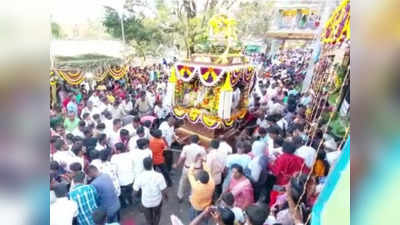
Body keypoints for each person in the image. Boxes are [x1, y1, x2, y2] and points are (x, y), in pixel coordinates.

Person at [133, 157, 168, 225]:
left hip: (146, 202)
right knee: (157, 214)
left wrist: (137, 203)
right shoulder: (159, 176)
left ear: (143, 165)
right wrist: (166, 197)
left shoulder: (140, 176)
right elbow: (164, 190)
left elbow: (134, 192)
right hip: (157, 201)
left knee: (148, 219)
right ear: (152, 164)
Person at [174, 135, 207, 202]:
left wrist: (177, 165)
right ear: (198, 141)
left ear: (190, 141)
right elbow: (204, 160)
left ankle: (180, 196)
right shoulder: (202, 149)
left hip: (186, 168)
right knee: (194, 185)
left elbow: (182, 158)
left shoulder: (186, 147)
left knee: (182, 182)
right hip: (197, 170)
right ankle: (190, 199)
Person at [187, 156, 215, 223]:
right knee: (205, 220)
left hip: (196, 207)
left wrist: (192, 165)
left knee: (193, 219)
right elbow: (208, 171)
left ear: (199, 181)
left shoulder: (196, 186)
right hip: (206, 206)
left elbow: (190, 174)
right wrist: (203, 162)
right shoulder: (212, 182)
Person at [110, 143, 135, 208]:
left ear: (119, 151)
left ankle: (126, 202)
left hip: (121, 181)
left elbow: (113, 169)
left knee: (124, 192)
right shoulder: (130, 154)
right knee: (129, 190)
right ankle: (130, 200)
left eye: (115, 149)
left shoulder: (114, 157)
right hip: (131, 178)